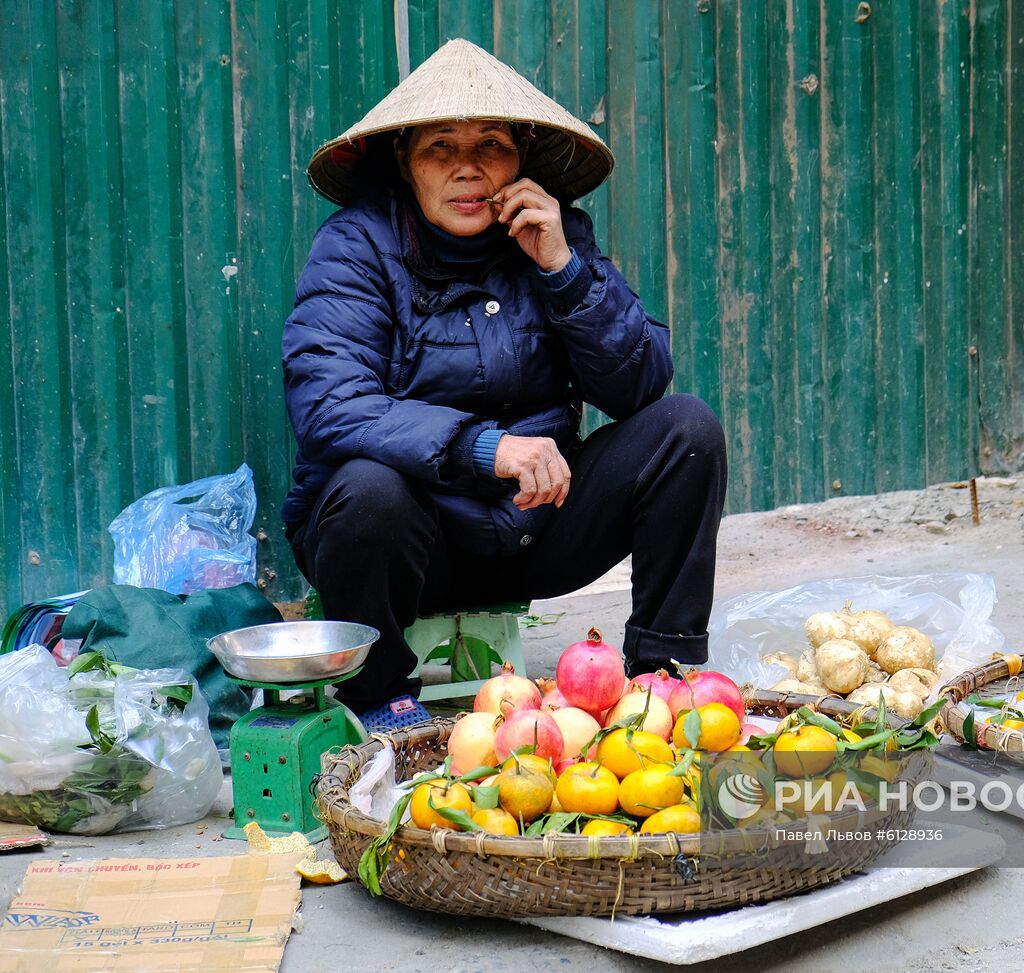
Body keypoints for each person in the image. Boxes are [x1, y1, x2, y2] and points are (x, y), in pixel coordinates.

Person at [282, 40, 727, 732]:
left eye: (490, 144)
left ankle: (661, 681)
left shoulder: (556, 235)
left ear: (520, 158)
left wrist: (562, 269)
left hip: (534, 526)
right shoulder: (356, 245)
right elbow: (329, 403)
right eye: (440, 147)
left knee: (687, 431)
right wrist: (485, 448)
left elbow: (642, 384)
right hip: (409, 541)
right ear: (405, 161)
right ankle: (377, 696)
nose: (467, 167)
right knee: (367, 490)